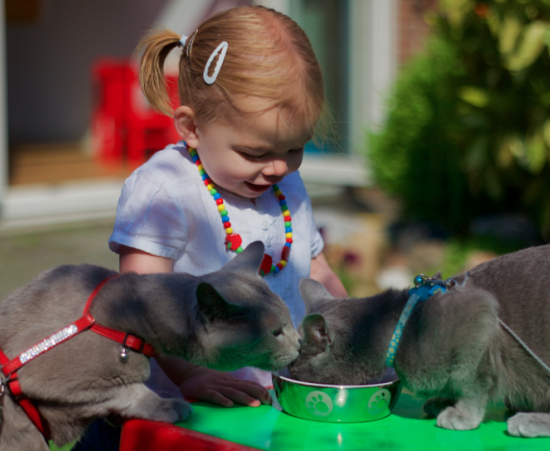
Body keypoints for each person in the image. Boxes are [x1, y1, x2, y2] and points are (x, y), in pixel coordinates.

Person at [74, 5, 347, 450]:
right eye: (255, 153)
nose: (278, 167)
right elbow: (140, 302)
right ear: (192, 127)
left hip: (263, 407)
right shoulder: (166, 190)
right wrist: (193, 373)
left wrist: (355, 327)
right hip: (174, 416)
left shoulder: (288, 187)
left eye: (295, 148)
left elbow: (315, 272)